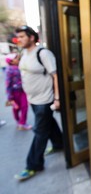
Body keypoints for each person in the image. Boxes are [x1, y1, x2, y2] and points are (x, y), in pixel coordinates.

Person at [14, 25, 63, 181]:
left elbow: (55, 76)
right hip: (33, 100)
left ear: (32, 37)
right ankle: (59, 144)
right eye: (18, 37)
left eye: (22, 36)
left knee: (39, 131)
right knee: (48, 123)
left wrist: (57, 98)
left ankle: (33, 165)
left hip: (45, 99)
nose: (19, 39)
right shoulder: (24, 53)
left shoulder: (43, 53)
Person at [5, 53, 31, 130]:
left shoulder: (21, 66)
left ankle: (22, 123)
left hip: (23, 91)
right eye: (16, 58)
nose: (18, 59)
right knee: (16, 108)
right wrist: (10, 97)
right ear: (11, 61)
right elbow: (8, 83)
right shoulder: (9, 70)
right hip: (14, 92)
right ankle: (18, 121)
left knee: (24, 106)